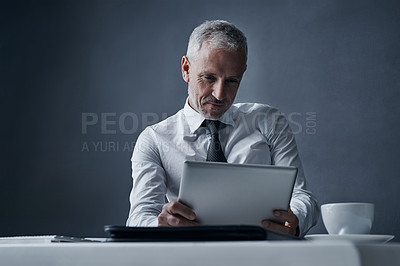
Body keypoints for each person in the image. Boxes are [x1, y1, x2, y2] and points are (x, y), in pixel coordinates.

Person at [127, 20, 319, 237]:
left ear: (242, 74)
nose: (219, 94)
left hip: (260, 255)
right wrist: (158, 225)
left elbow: (303, 196)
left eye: (232, 81)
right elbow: (139, 217)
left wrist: (296, 219)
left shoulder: (269, 122)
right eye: (209, 78)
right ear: (186, 69)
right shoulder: (155, 139)